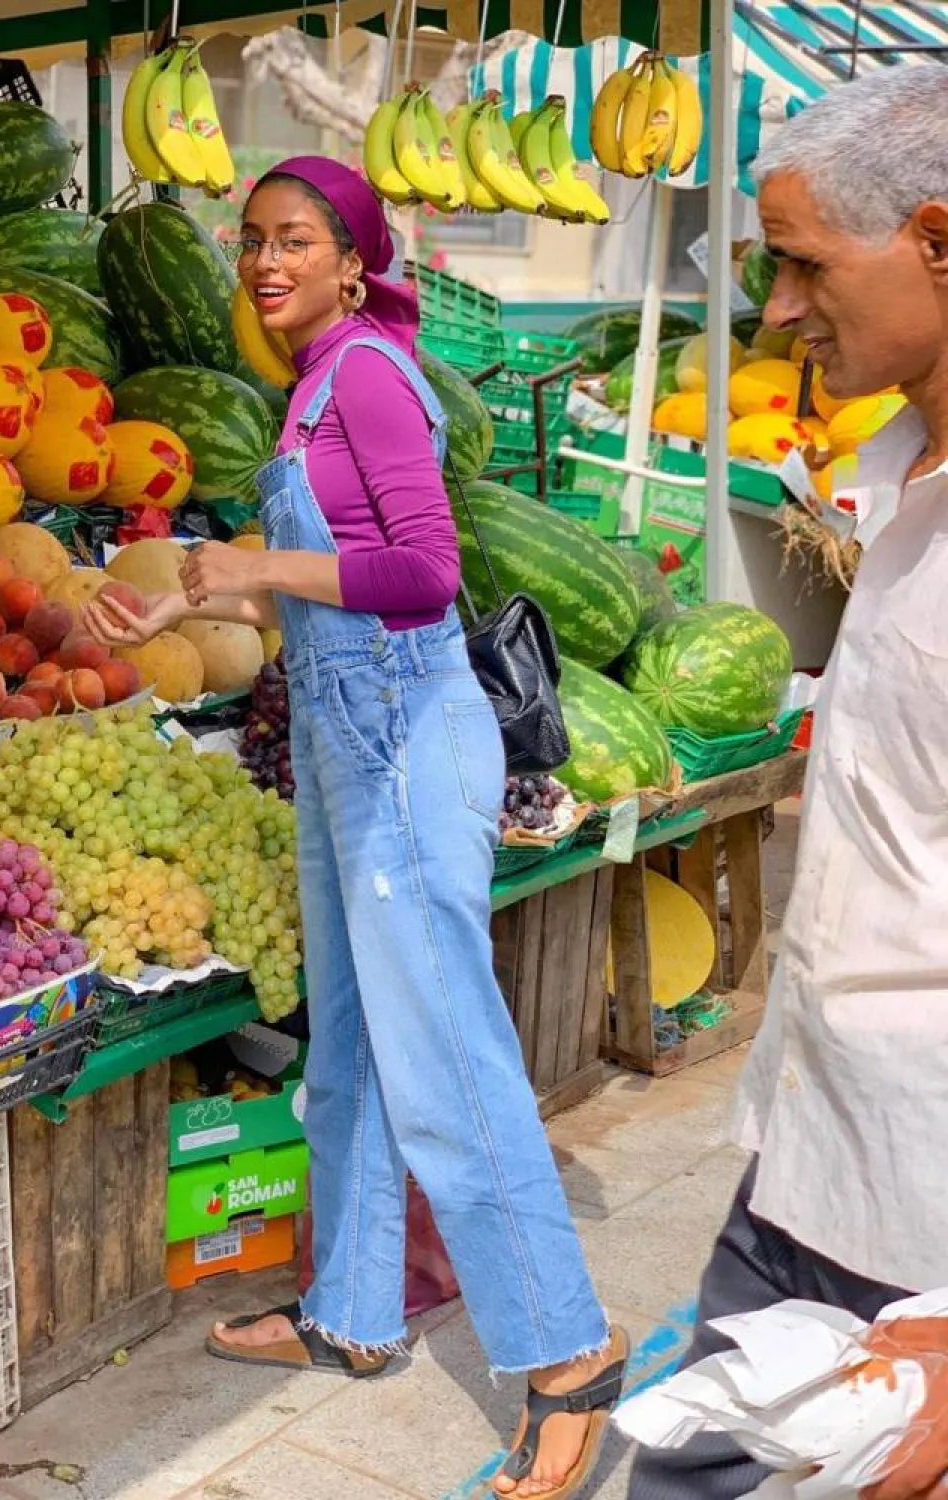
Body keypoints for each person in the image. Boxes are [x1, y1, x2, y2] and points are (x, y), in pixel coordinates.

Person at [83, 155, 625, 1498]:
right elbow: (320, 589)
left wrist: (257, 561)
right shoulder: (310, 384)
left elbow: (424, 572)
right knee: (353, 1045)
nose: (267, 263)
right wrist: (187, 606)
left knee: (443, 1056)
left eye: (296, 241)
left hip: (402, 737)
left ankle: (567, 1350)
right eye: (252, 241)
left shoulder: (371, 373)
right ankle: (356, 1309)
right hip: (342, 736)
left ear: (352, 260)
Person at [627, 65, 948, 1500]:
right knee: (684, 1472)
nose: (775, 311)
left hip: (926, 1224)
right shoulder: (899, 474)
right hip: (820, 1144)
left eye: (808, 265)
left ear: (937, 241)